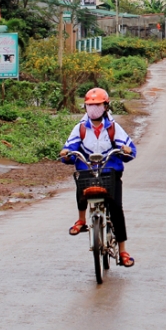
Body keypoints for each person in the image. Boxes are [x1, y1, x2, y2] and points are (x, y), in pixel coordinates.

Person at [59, 87, 137, 267]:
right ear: (85, 107)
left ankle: (123, 250)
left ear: (106, 106)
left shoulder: (113, 127)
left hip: (109, 171)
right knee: (81, 185)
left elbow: (129, 149)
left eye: (97, 105)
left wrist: (126, 150)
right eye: (90, 105)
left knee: (116, 208)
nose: (93, 108)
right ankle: (81, 220)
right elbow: (70, 147)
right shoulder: (80, 128)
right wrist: (66, 153)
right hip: (88, 170)